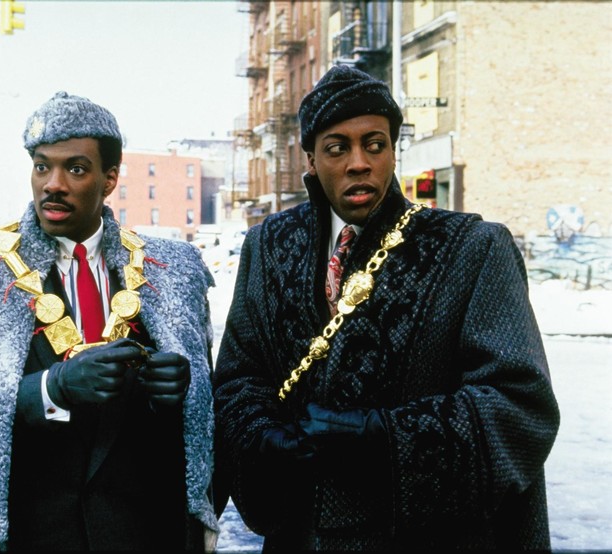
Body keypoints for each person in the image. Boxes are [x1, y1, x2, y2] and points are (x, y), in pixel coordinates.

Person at [213, 64, 560, 550]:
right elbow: (239, 377)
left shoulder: (473, 248)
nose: (359, 163)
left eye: (374, 144)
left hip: (426, 537)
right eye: (337, 148)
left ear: (393, 151)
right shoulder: (269, 245)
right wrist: (262, 436)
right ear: (310, 159)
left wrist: (382, 437)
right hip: (301, 534)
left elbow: (519, 402)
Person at [0, 92, 219, 551]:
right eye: (42, 167)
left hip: (135, 535)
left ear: (110, 178)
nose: (53, 185)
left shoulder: (172, 273)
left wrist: (177, 396)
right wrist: (49, 389)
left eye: (76, 169)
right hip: (23, 538)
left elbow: (199, 440)